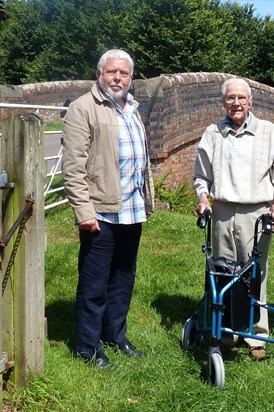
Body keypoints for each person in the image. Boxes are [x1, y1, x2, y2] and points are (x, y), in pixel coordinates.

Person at [62, 49, 155, 369]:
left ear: (131, 78)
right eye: (112, 72)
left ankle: (115, 335)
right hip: (100, 211)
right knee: (94, 282)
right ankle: (88, 347)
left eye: (124, 73)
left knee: (123, 277)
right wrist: (83, 210)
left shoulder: (132, 107)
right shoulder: (82, 108)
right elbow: (72, 167)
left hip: (131, 208)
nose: (118, 78)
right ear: (99, 74)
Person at [194, 78, 274, 360]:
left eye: (241, 98)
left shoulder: (268, 132)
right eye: (230, 98)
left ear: (250, 101)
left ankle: (258, 335)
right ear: (223, 102)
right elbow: (201, 176)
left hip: (257, 211)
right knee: (223, 271)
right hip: (224, 211)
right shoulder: (213, 133)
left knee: (255, 273)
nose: (236, 103)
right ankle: (226, 331)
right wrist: (203, 198)